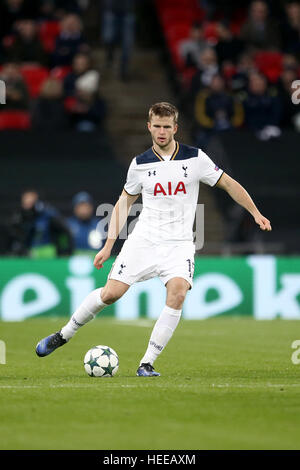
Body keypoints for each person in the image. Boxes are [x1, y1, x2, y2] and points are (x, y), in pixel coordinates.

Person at [36, 102, 272, 376]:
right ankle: (63, 335)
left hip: (180, 244)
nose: (161, 132)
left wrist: (255, 212)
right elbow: (124, 203)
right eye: (156, 126)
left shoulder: (195, 159)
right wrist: (109, 244)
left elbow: (229, 183)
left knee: (178, 292)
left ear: (175, 128)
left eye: (166, 126)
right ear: (149, 127)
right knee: (111, 294)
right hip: (144, 241)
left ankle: (146, 363)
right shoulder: (139, 165)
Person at [7, 189, 73, 257]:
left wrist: (63, 250)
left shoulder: (48, 215)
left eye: (30, 201)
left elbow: (64, 232)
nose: (27, 204)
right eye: (25, 201)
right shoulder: (19, 217)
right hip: (29, 256)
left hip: (47, 255)